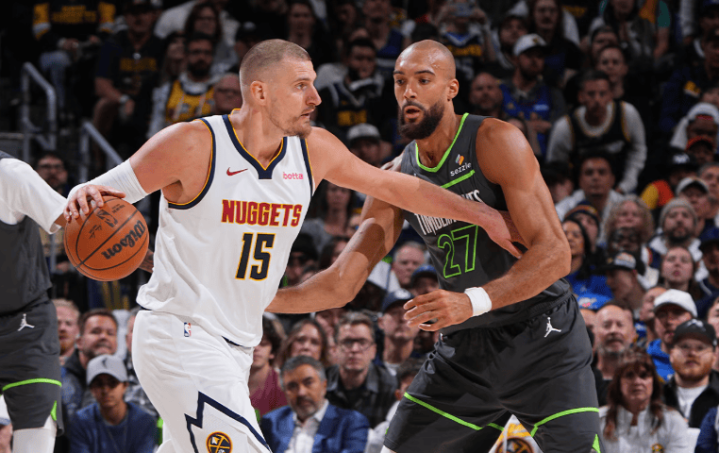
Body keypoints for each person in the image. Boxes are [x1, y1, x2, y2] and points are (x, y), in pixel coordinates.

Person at [64, 39, 522, 453]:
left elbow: (399, 187)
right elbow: (93, 200)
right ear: (260, 92)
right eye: (301, 86)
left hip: (238, 346)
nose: (316, 97)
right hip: (179, 334)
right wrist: (81, 200)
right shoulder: (193, 143)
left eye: (314, 84)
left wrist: (484, 215)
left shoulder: (313, 149)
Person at [268, 39, 603, 452]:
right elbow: (341, 283)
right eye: (400, 81)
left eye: (423, 80)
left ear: (451, 88)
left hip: (541, 337)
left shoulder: (495, 140)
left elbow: (556, 254)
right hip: (466, 350)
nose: (408, 91)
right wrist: (258, 298)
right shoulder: (396, 176)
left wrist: (471, 301)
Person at [0, 150, 68, 452]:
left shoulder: (10, 174)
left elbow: (77, 222)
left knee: (35, 444)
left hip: (25, 327)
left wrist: (147, 259)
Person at [546, 70, 647, 194]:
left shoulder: (627, 114)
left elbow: (638, 150)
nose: (597, 100)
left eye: (602, 94)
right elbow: (555, 168)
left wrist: (626, 185)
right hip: (579, 193)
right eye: (591, 94)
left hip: (622, 188)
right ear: (581, 96)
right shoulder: (565, 127)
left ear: (610, 95)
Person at [260, 355, 369, 453]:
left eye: (308, 383)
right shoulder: (271, 422)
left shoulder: (351, 422)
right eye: (292, 386)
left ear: (324, 385)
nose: (301, 392)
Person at [598, 348, 693, 453]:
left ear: (653, 382)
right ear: (618, 382)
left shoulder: (673, 421)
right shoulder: (598, 420)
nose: (637, 382)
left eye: (644, 376)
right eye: (629, 375)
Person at [68, 354, 156, 453]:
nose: (105, 390)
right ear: (91, 389)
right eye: (99, 384)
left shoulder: (144, 421)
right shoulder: (81, 420)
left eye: (112, 383)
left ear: (125, 386)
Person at [324, 312, 397, 429]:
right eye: (347, 342)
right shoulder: (321, 383)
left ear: (373, 350)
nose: (355, 349)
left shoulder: (390, 387)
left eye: (362, 342)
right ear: (335, 349)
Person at [499, 33, 566, 158]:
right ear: (515, 59)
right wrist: (529, 126)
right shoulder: (500, 90)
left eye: (539, 56)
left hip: (545, 162)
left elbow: (562, 126)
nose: (535, 60)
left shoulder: (552, 92)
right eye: (529, 55)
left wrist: (549, 126)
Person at [61, 309, 119, 424]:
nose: (104, 337)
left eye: (110, 333)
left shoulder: (126, 379)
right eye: (95, 332)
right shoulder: (59, 379)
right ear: (79, 342)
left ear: (116, 344)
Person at [663, 319, 719, 429]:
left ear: (714, 357)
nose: (692, 353)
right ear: (671, 354)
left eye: (700, 348)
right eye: (684, 346)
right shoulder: (655, 396)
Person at [647, 289, 697, 381]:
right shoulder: (643, 361)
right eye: (662, 315)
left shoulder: (708, 359)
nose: (669, 321)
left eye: (677, 313)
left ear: (693, 320)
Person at [593, 303, 636, 404]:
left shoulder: (645, 379)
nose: (614, 330)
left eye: (620, 325)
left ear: (632, 334)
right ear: (594, 333)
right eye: (606, 325)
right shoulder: (580, 380)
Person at [249, 316, 288, 417]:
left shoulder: (281, 386)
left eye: (263, 343)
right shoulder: (228, 378)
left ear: (272, 352)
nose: (256, 348)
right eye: (251, 342)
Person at [377, 290, 421, 375]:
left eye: (410, 314)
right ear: (381, 322)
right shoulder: (366, 365)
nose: (402, 319)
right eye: (395, 313)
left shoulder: (429, 368)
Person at [54, 298, 81, 366]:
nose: (62, 328)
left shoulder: (86, 365)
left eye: (69, 323)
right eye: (56, 323)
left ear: (78, 329)